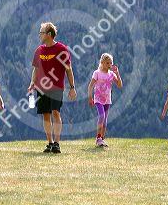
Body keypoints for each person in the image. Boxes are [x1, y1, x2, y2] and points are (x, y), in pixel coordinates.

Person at [27, 22, 77, 154]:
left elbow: (68, 69)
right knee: (46, 115)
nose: (39, 35)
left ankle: (57, 143)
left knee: (56, 112)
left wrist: (72, 87)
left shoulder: (61, 49)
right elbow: (36, 69)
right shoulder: (39, 50)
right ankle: (49, 143)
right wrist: (32, 82)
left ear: (49, 34)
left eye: (41, 32)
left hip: (56, 87)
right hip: (41, 87)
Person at [87, 53, 123, 147]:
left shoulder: (111, 74)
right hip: (98, 99)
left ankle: (102, 139)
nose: (109, 65)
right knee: (101, 116)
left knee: (105, 120)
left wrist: (117, 74)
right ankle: (98, 138)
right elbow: (90, 86)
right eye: (107, 63)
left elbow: (119, 85)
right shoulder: (97, 73)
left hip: (107, 100)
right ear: (102, 62)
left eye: (111, 63)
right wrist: (90, 97)